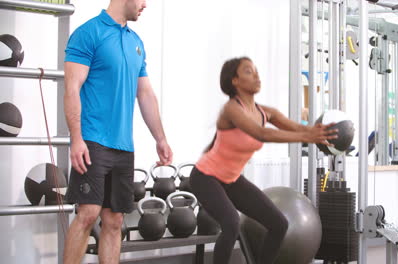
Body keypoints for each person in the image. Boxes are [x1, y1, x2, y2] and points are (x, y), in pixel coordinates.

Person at [189, 57, 338, 264]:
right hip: (205, 177)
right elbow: (261, 134)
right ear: (235, 80)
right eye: (249, 71)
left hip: (231, 179)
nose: (256, 75)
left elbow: (294, 127)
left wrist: (317, 132)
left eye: (256, 70)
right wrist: (307, 137)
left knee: (278, 224)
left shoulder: (264, 112)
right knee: (231, 223)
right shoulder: (231, 109)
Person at [62, 1, 173, 263]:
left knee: (114, 221)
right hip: (92, 140)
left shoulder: (136, 42)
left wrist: (161, 138)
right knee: (88, 213)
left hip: (123, 145)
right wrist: (76, 139)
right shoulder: (88, 33)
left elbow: (145, 93)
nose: (145, 4)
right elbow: (72, 89)